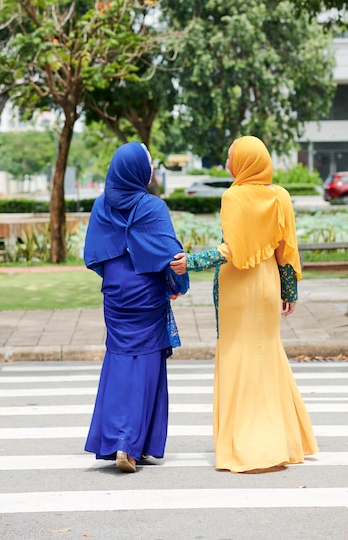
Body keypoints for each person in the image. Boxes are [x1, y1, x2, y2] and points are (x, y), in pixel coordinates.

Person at [171, 135, 318, 473]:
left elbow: (232, 252)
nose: (227, 161)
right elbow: (286, 249)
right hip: (267, 285)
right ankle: (284, 440)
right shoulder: (279, 195)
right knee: (266, 353)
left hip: (238, 289)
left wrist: (189, 262)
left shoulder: (234, 196)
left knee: (238, 354)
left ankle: (250, 443)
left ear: (244, 162)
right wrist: (289, 292)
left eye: (230, 156)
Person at [84, 141, 189, 473]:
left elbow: (97, 252)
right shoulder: (152, 207)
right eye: (150, 164)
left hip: (116, 292)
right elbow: (170, 254)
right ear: (138, 171)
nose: (153, 169)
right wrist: (176, 285)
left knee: (119, 359)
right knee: (146, 362)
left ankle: (125, 441)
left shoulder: (102, 206)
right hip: (145, 290)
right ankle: (128, 445)